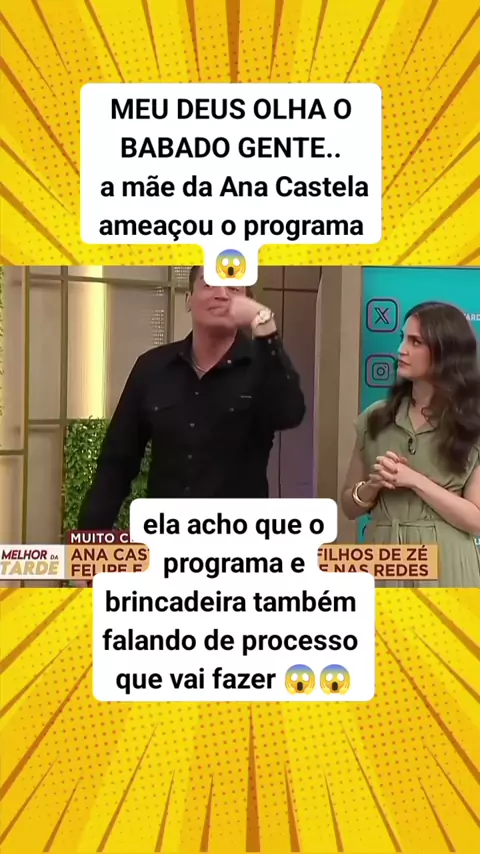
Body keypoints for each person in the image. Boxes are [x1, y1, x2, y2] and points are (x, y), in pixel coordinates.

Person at [78, 266, 306, 529]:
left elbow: (291, 413)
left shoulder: (264, 369)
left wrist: (265, 326)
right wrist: (89, 538)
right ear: (188, 299)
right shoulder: (152, 368)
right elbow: (117, 461)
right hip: (165, 534)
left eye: (233, 288)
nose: (221, 294)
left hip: (239, 540)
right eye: (209, 284)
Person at [341, 301, 480, 588]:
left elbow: (477, 520)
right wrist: (372, 486)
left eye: (415, 342)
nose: (401, 350)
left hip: (447, 565)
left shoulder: (473, 425)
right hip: (383, 560)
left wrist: (415, 480)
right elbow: (349, 508)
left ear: (445, 351)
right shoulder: (376, 417)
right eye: (402, 338)